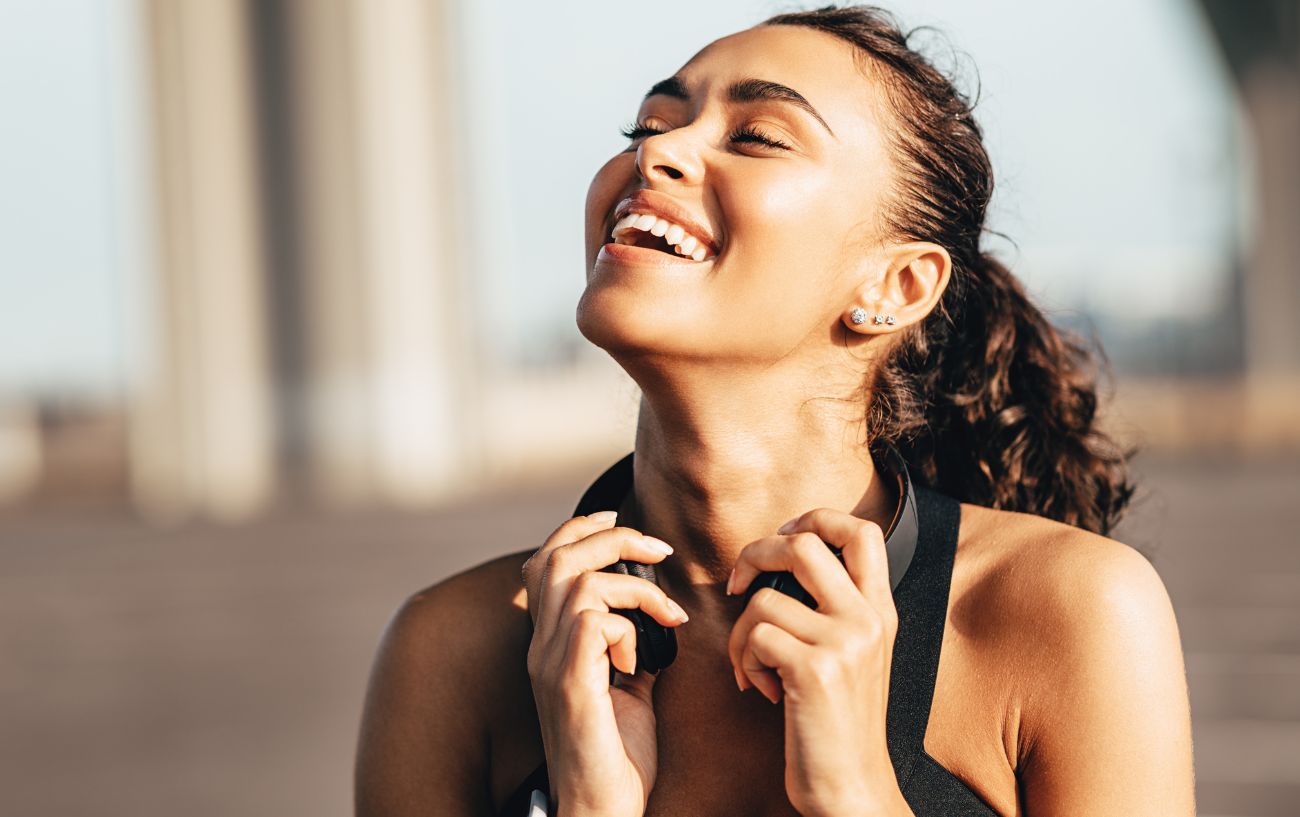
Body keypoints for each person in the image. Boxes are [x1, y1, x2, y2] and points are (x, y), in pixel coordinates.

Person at [353, 5, 1196, 816]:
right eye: (647, 127)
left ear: (894, 287)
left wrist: (859, 795)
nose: (658, 154)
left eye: (756, 136)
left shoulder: (1070, 614)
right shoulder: (453, 655)